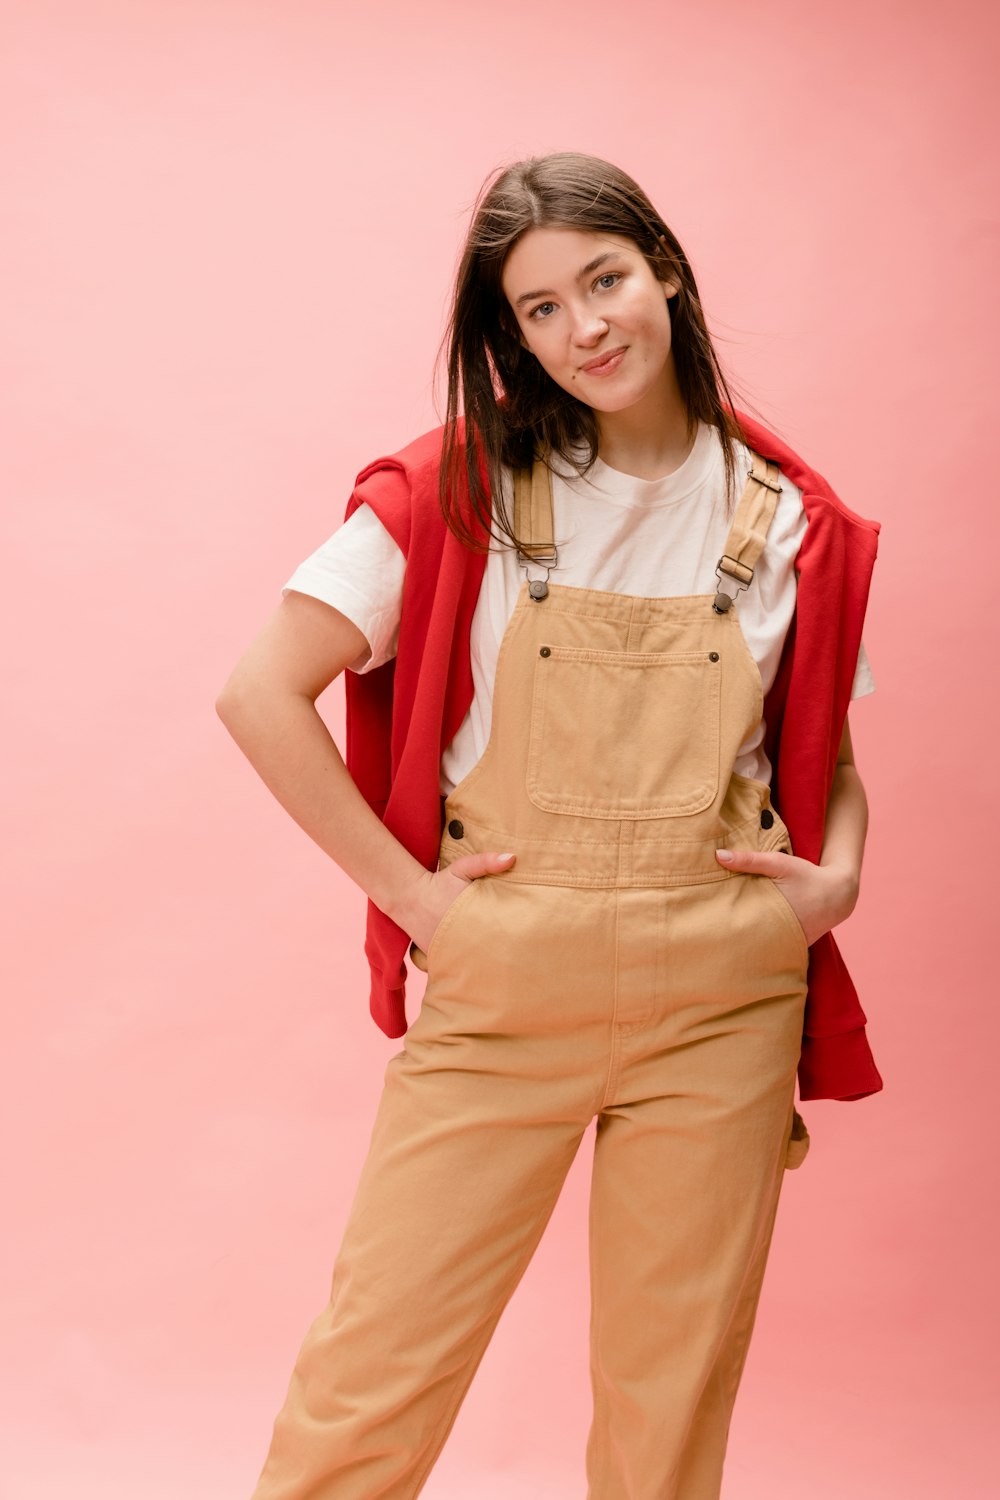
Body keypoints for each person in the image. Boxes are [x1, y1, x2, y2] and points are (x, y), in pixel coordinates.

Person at [216, 150, 883, 1500]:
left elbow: (821, 741)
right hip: (507, 983)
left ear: (667, 273)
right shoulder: (450, 492)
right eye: (538, 308)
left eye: (604, 279)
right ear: (507, 338)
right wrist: (420, 904)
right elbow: (257, 695)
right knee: (377, 1372)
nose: (585, 325)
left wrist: (839, 881)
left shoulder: (794, 519)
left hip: (721, 996)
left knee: (671, 1401)